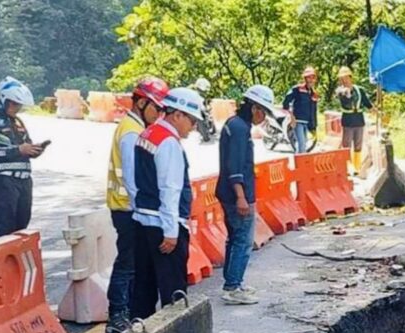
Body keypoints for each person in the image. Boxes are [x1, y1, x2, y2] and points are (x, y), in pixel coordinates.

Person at [130, 87, 204, 319]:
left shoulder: (147, 134)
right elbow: (170, 190)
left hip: (142, 221)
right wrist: (171, 232)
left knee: (143, 288)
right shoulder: (169, 142)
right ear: (177, 114)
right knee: (173, 293)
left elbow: (134, 180)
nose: (193, 127)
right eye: (192, 120)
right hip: (164, 227)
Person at [105, 77, 170, 333]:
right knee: (128, 262)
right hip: (127, 209)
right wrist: (142, 211)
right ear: (142, 103)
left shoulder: (134, 126)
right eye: (158, 108)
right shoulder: (131, 131)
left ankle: (129, 310)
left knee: (132, 262)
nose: (160, 114)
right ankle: (118, 313)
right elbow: (132, 179)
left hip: (129, 207)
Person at [215, 85, 278, 305]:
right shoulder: (240, 129)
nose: (263, 117)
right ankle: (233, 286)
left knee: (234, 238)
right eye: (263, 112)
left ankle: (233, 282)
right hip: (236, 195)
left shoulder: (234, 125)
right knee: (243, 240)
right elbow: (235, 166)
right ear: (254, 108)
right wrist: (241, 197)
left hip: (228, 192)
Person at [0, 77, 46, 238]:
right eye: (13, 103)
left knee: (21, 226)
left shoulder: (18, 122)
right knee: (4, 227)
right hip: (5, 180)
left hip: (25, 180)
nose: (16, 108)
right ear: (3, 101)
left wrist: (35, 149)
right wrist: (18, 150)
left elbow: (26, 145)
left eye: (18, 105)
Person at [335, 66, 373, 172]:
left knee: (358, 145)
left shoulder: (359, 90)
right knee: (346, 145)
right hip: (348, 121)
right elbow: (346, 100)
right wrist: (347, 93)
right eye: (342, 79)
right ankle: (347, 168)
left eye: (346, 78)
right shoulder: (340, 91)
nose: (344, 81)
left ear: (350, 77)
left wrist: (373, 110)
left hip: (359, 120)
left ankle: (357, 168)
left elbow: (366, 102)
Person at [282, 67, 318, 154]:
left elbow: (313, 111)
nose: (311, 80)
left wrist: (313, 127)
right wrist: (291, 117)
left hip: (307, 122)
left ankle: (299, 164)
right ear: (305, 78)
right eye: (309, 77)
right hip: (297, 121)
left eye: (313, 77)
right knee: (301, 144)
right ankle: (300, 165)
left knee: (304, 144)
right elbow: (285, 103)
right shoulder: (297, 89)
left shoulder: (314, 93)